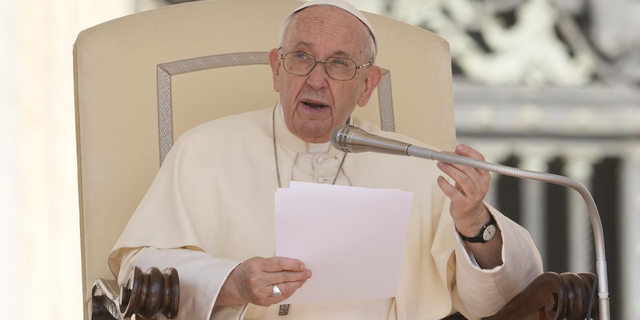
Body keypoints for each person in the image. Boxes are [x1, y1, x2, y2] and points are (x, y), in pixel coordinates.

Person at [109, 1, 543, 319]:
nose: (316, 79)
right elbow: (138, 274)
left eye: (339, 64)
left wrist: (473, 223)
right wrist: (232, 281)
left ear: (368, 85)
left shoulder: (415, 165)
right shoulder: (204, 151)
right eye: (301, 58)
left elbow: (505, 296)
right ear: (276, 69)